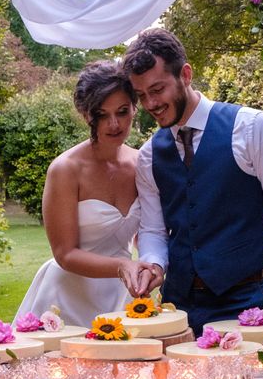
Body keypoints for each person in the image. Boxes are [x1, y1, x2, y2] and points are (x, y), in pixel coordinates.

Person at [122, 28, 263, 335]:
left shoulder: (251, 128)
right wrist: (154, 265)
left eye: (157, 90)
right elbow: (154, 230)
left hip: (246, 302)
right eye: (141, 95)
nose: (150, 104)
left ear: (185, 74)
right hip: (176, 309)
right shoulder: (148, 156)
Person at [13, 61, 156, 328]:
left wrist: (148, 267)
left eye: (122, 111)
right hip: (66, 297)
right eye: (101, 115)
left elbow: (148, 234)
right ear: (85, 114)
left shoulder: (142, 163)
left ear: (135, 108)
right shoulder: (65, 169)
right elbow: (64, 253)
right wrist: (120, 266)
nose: (114, 124)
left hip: (122, 294)